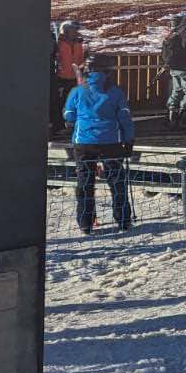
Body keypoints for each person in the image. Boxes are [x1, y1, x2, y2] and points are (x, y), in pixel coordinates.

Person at [62, 52, 135, 233]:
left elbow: (68, 114)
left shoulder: (78, 91)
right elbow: (125, 117)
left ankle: (86, 223)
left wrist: (74, 122)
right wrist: (129, 140)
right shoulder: (116, 92)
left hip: (84, 142)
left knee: (85, 183)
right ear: (107, 72)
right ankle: (123, 221)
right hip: (111, 141)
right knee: (117, 182)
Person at [161, 11, 186, 129]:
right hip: (185, 67)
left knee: (176, 91)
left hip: (173, 68)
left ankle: (172, 115)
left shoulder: (168, 37)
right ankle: (183, 115)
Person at [50, 20, 85, 136]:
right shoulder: (58, 44)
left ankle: (72, 126)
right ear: (65, 31)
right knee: (59, 104)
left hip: (75, 78)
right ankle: (58, 127)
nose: (76, 32)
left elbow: (80, 60)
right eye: (73, 30)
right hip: (61, 78)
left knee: (74, 103)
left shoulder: (79, 43)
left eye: (76, 30)